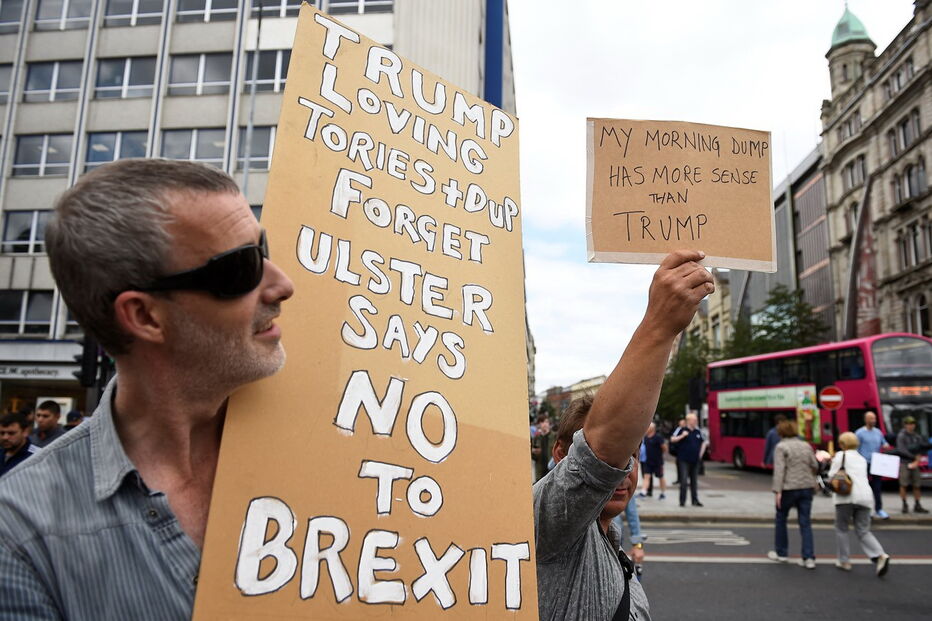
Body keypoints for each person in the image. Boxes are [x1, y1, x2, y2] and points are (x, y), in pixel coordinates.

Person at [0, 159, 295, 618]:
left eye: (263, 247)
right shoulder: (19, 533)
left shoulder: (339, 440)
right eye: (241, 267)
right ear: (144, 316)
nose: (282, 284)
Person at [534, 250, 712, 621]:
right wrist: (660, 325)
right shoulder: (545, 521)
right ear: (560, 454)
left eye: (631, 457)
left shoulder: (611, 544)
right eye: (616, 458)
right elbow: (599, 456)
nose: (621, 470)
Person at [829, 432, 891, 576]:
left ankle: (844, 561)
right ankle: (880, 555)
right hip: (865, 497)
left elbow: (832, 476)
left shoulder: (840, 456)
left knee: (842, 528)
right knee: (863, 530)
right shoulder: (861, 458)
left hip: (846, 497)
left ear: (842, 444)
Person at [769, 419, 819, 569]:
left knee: (781, 518)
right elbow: (815, 465)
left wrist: (777, 491)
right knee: (805, 522)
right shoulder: (806, 445)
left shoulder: (781, 447)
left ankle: (782, 553)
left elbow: (779, 470)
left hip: (788, 487)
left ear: (781, 432)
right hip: (806, 486)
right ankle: (808, 557)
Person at [855, 411, 889, 519]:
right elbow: (855, 448)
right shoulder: (859, 433)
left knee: (877, 488)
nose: (873, 421)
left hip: (877, 463)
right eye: (871, 419)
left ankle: (879, 509)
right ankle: (867, 510)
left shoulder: (878, 432)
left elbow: (884, 443)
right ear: (866, 420)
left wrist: (886, 446)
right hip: (864, 463)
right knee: (865, 488)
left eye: (874, 419)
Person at [670, 413, 706, 507]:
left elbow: (703, 443)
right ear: (689, 421)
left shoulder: (698, 432)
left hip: (695, 460)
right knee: (684, 481)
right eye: (694, 420)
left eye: (696, 420)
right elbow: (672, 439)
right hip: (683, 460)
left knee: (694, 481)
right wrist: (682, 436)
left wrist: (700, 455)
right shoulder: (682, 430)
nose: (696, 421)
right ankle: (682, 501)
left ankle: (695, 500)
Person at [896, 416, 928, 513]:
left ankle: (917, 504)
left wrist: (917, 460)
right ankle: (904, 504)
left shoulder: (917, 436)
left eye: (912, 424)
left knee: (917, 485)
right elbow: (901, 450)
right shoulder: (901, 436)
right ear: (905, 425)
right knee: (903, 484)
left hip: (915, 463)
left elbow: (921, 448)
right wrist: (913, 457)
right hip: (904, 463)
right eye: (909, 424)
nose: (911, 426)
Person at [0, 413, 40, 477]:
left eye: (11, 433)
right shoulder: (1, 452)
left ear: (25, 432)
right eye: (2, 433)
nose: (5, 437)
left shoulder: (37, 456)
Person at [639, 422, 666, 500]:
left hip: (658, 462)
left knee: (661, 477)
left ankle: (663, 493)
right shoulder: (646, 438)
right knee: (646, 476)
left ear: (652, 429)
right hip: (648, 462)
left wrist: (659, 455)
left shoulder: (658, 438)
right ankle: (643, 492)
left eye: (648, 427)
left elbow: (664, 448)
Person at [531, 416, 555, 481]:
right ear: (539, 424)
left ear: (549, 424)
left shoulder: (554, 436)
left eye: (546, 422)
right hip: (540, 472)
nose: (544, 424)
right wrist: (534, 452)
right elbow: (532, 456)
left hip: (552, 471)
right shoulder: (536, 438)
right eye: (542, 422)